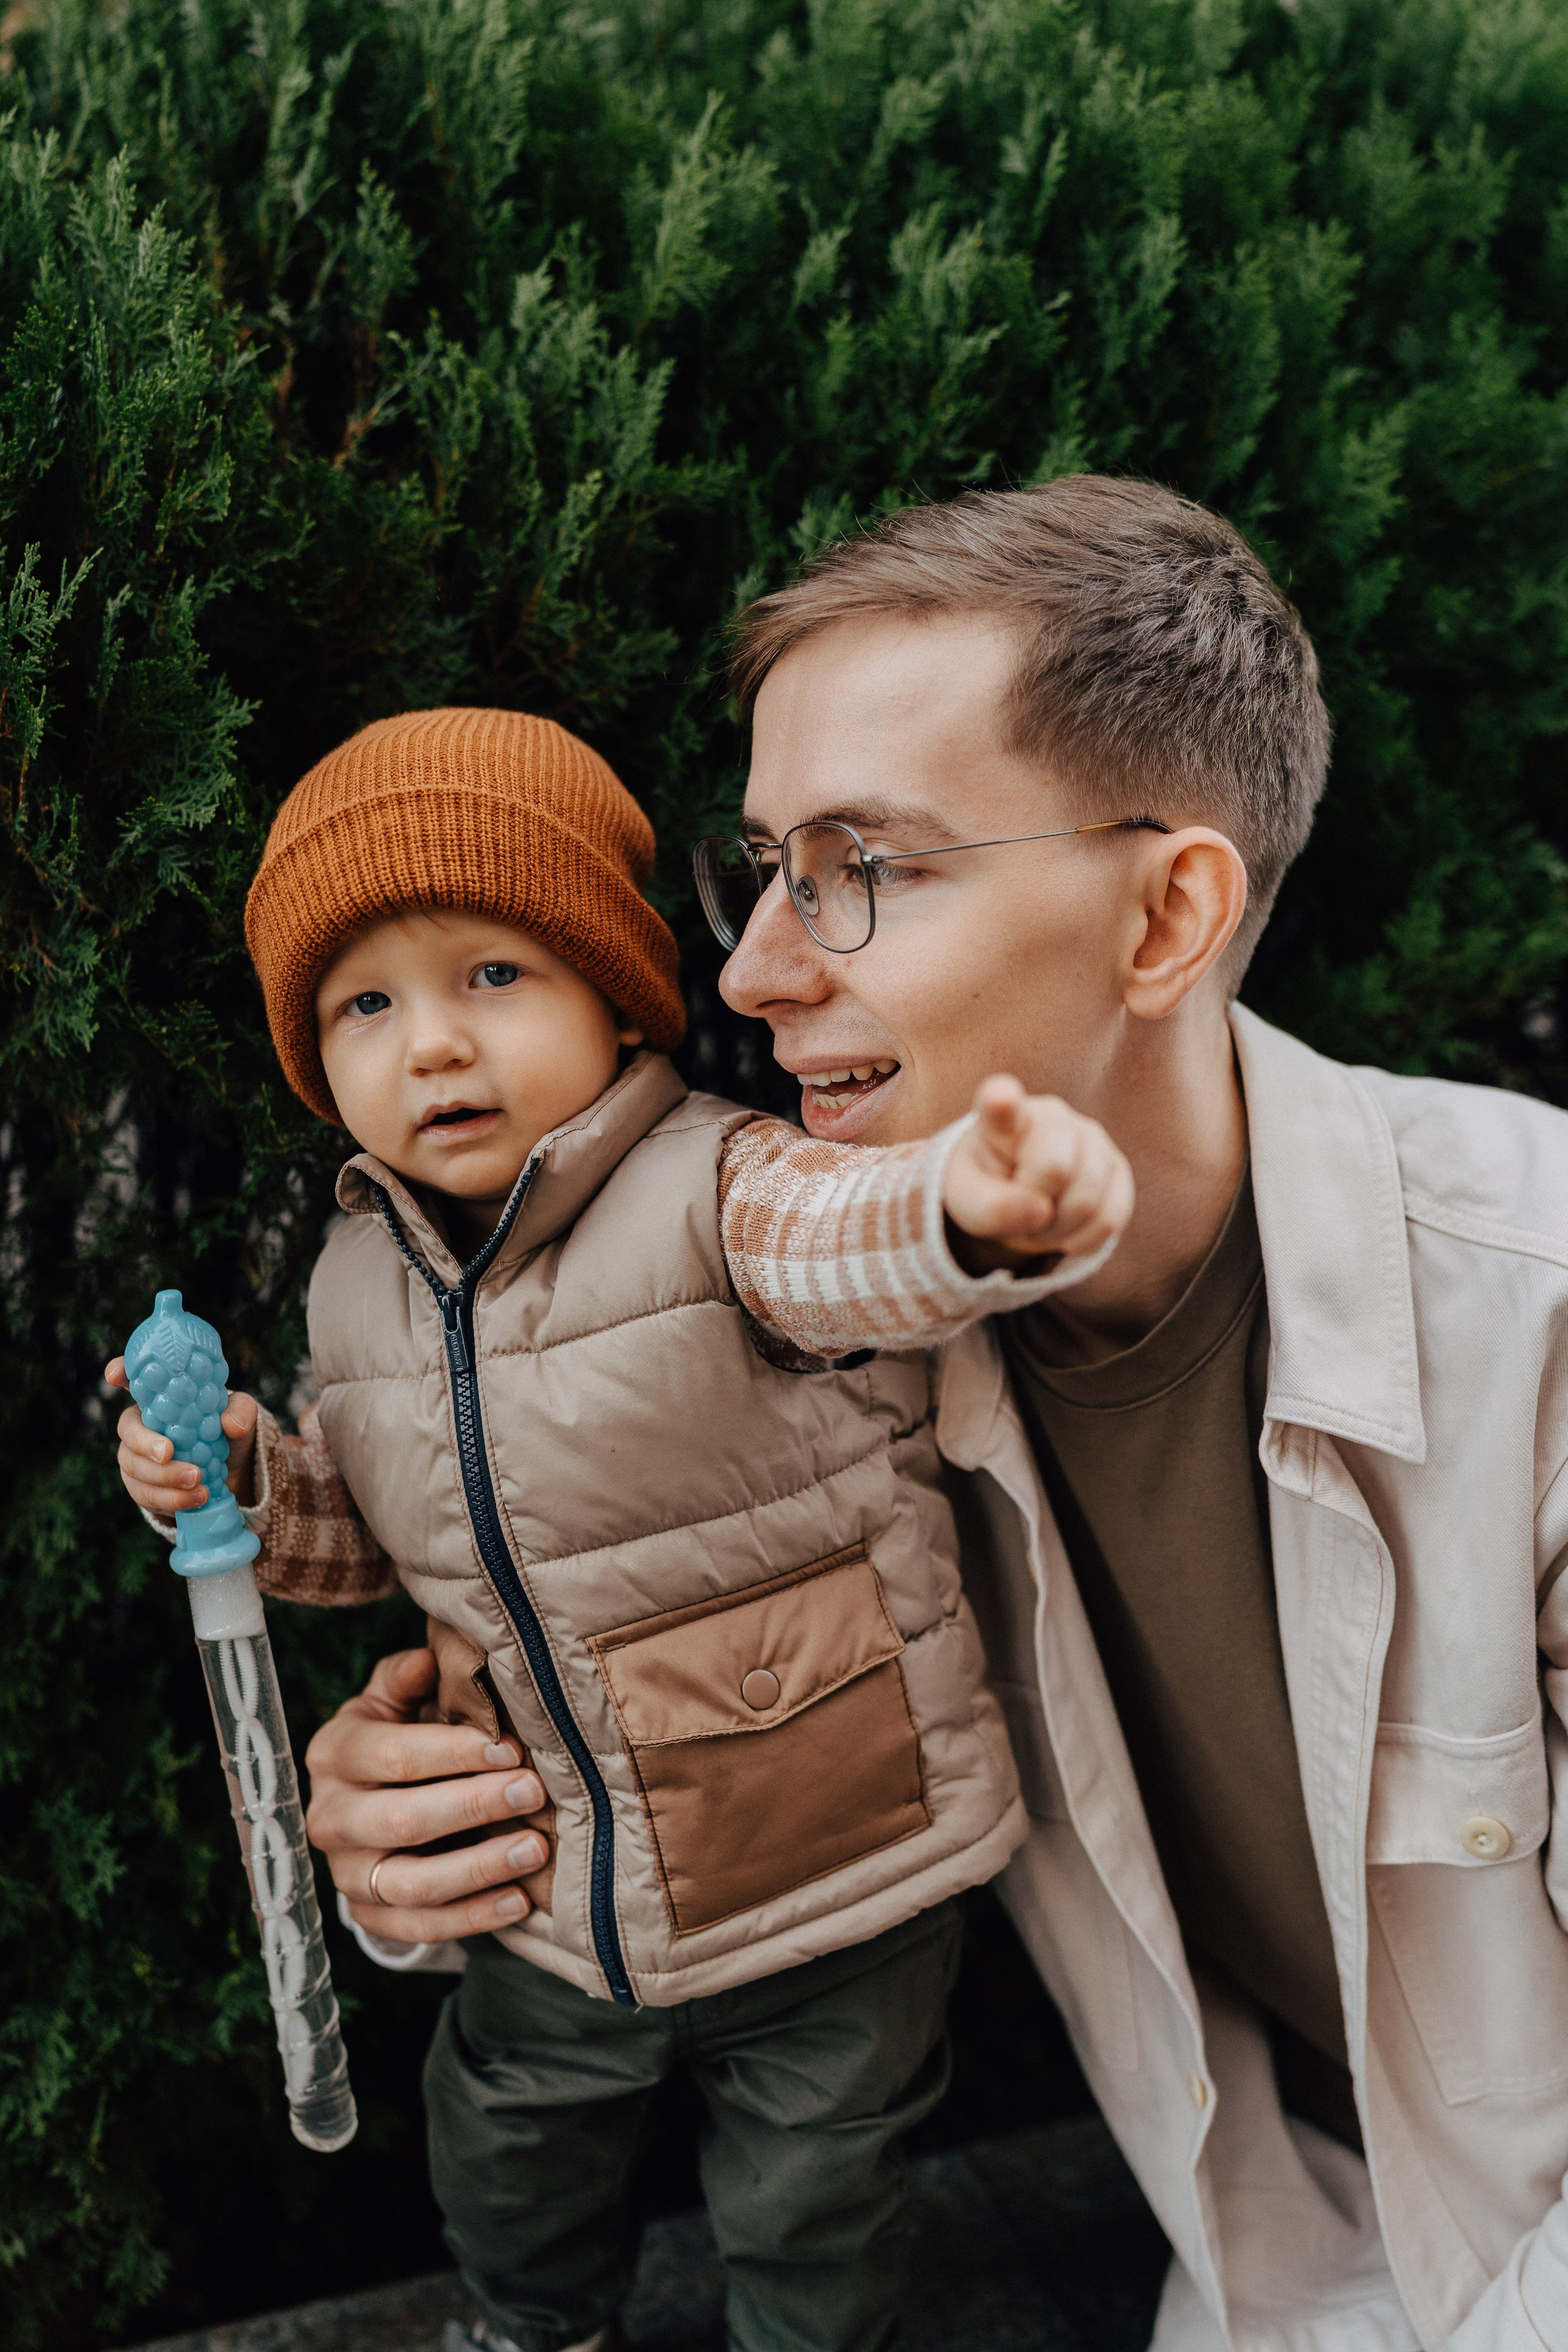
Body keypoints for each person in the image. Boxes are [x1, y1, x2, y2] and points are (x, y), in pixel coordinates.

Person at [258, 477, 1568, 2352]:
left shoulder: (1543, 1319)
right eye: (766, 867)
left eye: (862, 867)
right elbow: (613, 1635)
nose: (749, 973)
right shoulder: (809, 1363)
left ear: (1166, 916)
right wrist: (435, 1840)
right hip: (1285, 2273)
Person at [110, 703, 1136, 2352]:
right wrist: (242, 1482)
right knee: (504, 2152)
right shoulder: (360, 1280)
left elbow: (845, 1247)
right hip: (555, 1881)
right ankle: (536, 2327)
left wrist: (959, 1211)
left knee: (814, 2204)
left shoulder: (720, 1187)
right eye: (365, 1005)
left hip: (830, 1848)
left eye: (491, 977)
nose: (431, 1044)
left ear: (611, 987)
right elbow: (371, 1539)